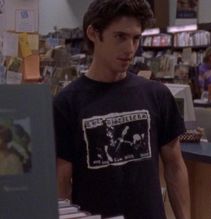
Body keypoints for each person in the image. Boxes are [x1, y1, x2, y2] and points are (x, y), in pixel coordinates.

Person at [53, 1, 190, 219]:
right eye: (120, 37)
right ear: (93, 33)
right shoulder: (67, 103)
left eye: (136, 38)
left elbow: (174, 165)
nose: (130, 49)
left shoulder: (157, 95)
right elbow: (61, 181)